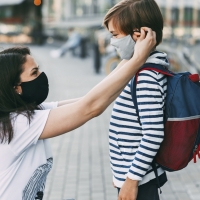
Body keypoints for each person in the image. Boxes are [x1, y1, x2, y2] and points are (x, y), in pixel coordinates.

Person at [0, 27, 156, 200]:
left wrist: (132, 53)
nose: (41, 76)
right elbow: (90, 107)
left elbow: (89, 100)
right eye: (34, 73)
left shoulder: (30, 113)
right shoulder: (19, 124)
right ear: (16, 89)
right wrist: (138, 59)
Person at [103, 0, 169, 200]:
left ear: (138, 35)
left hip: (140, 182)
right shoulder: (141, 69)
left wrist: (131, 181)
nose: (112, 41)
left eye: (115, 35)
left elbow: (153, 133)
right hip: (134, 176)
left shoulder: (146, 77)